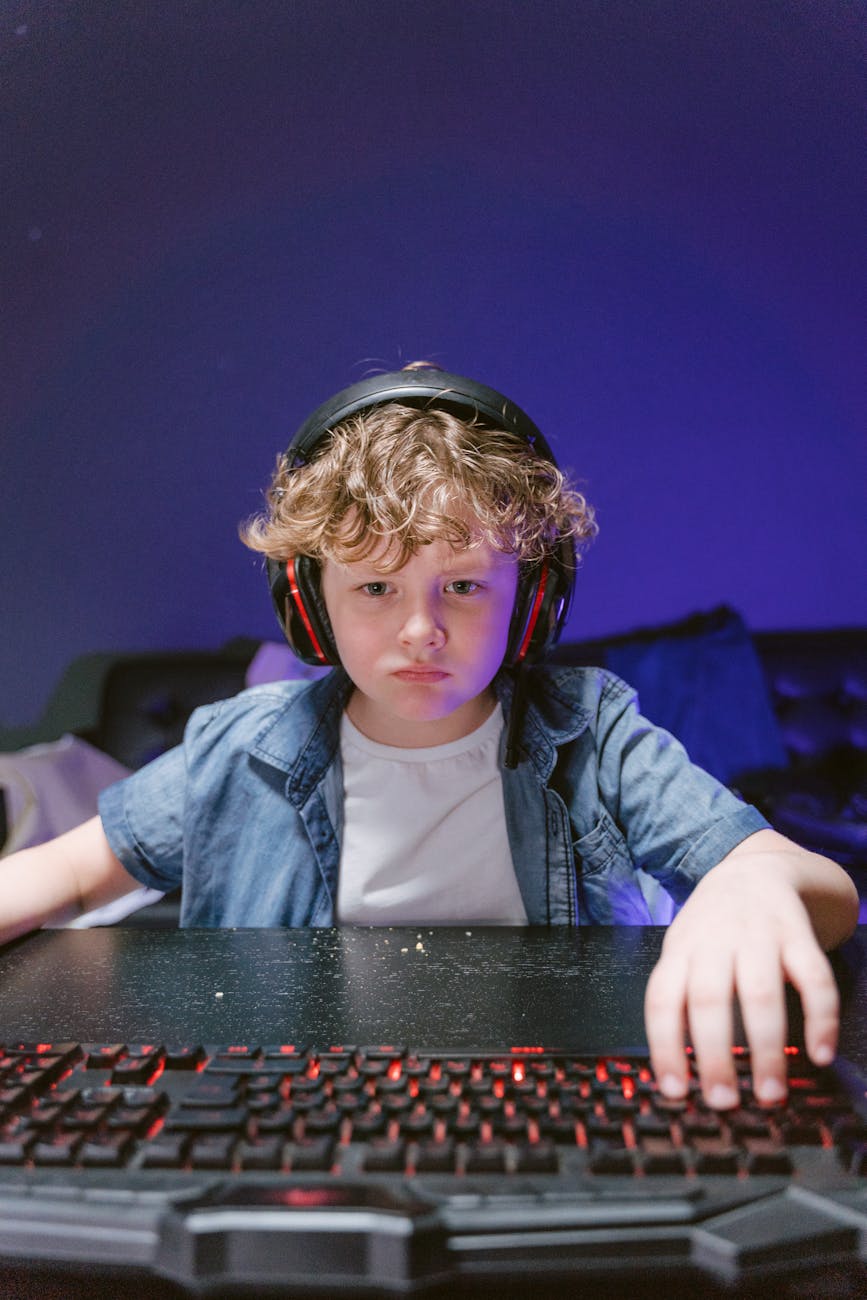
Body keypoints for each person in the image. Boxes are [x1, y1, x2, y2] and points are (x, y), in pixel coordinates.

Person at [0, 365, 858, 1113]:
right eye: (375, 586)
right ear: (307, 604)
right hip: (287, 1092)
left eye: (462, 586)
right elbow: (72, 869)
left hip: (553, 1084)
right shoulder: (238, 747)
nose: (422, 630)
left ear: (531, 600)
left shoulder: (594, 731)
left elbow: (818, 887)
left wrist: (748, 885)